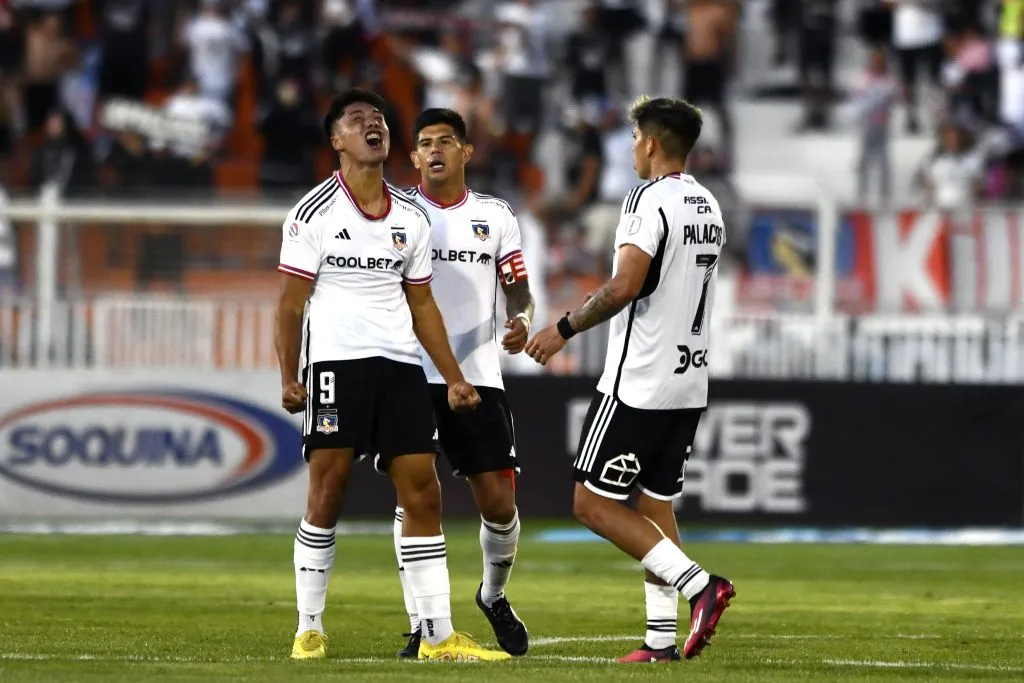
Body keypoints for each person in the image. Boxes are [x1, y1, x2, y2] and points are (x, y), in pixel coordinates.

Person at [275, 88, 510, 663]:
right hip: (336, 362)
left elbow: (423, 305)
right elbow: (288, 304)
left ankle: (437, 635)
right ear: (337, 141)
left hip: (402, 366)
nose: (371, 125)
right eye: (357, 120)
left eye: (378, 118)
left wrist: (453, 377)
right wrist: (289, 374)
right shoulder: (314, 213)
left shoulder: (410, 217)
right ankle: (309, 625)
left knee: (423, 491)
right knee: (328, 489)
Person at [524, 95, 735, 662]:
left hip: (639, 379)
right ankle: (660, 642)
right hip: (689, 378)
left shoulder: (649, 198)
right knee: (656, 505)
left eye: (636, 137)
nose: (632, 147)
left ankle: (700, 586)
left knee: (590, 504)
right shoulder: (708, 204)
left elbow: (624, 285)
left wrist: (562, 329)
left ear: (651, 143)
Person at [392, 107, 534, 658]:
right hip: (410, 372)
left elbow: (516, 286)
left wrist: (521, 319)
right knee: (415, 498)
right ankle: (424, 623)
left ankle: (493, 595)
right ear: (413, 156)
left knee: (499, 504)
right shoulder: (398, 212)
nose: (434, 151)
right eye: (424, 143)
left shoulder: (495, 215)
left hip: (478, 377)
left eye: (445, 141)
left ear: (466, 152)